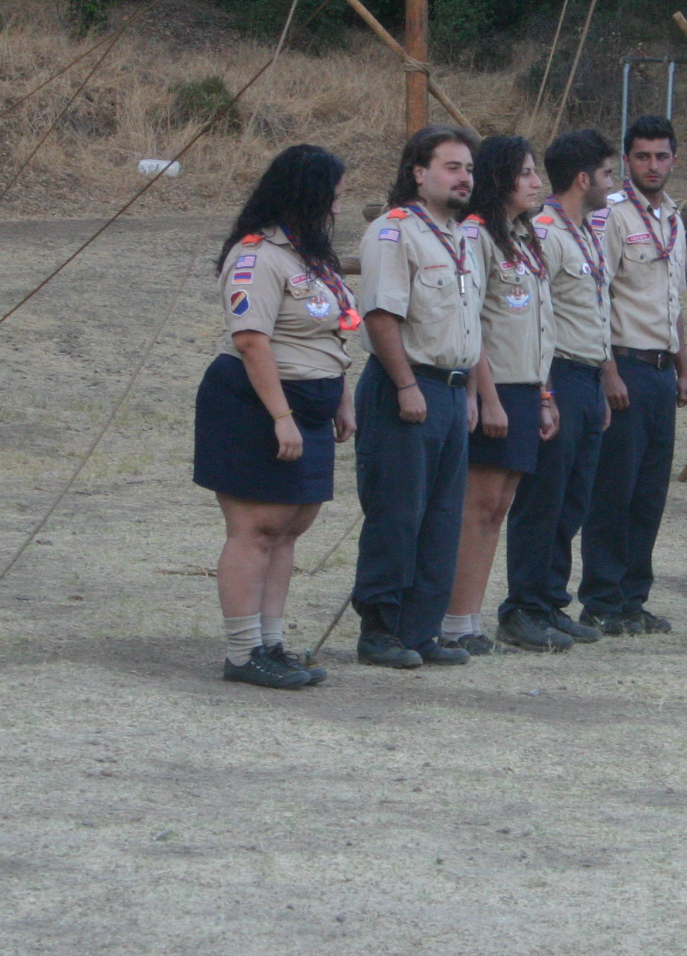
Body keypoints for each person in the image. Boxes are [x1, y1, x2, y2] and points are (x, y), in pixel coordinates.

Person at [193, 144, 358, 689]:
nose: (338, 208)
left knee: (289, 527)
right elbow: (251, 341)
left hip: (311, 402)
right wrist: (281, 416)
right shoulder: (257, 255)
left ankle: (271, 643)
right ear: (305, 195)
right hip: (257, 404)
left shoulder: (311, 256)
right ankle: (243, 653)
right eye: (333, 196)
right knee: (256, 528)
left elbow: (332, 331)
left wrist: (341, 397)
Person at [351, 126, 486, 668]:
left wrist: (470, 393)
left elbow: (468, 322)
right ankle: (381, 629)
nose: (464, 178)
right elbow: (381, 315)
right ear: (419, 172)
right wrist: (406, 385)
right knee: (397, 513)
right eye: (452, 167)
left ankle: (421, 630)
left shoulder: (461, 236)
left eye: (468, 169)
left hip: (450, 391)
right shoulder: (394, 232)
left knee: (442, 517)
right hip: (407, 385)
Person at [494, 129, 618, 651]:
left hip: (586, 375)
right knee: (543, 498)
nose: (613, 184)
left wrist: (603, 380)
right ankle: (522, 607)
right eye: (608, 174)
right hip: (558, 373)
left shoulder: (584, 231)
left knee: (572, 500)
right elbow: (536, 314)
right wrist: (546, 392)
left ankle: (549, 601)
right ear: (584, 179)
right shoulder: (544, 231)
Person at [442, 136, 559, 655]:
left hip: (526, 386)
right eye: (526, 173)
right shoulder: (477, 234)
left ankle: (469, 617)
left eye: (536, 172)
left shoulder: (524, 237)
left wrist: (545, 396)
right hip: (495, 387)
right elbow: (473, 324)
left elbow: (539, 326)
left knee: (498, 508)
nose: (536, 183)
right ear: (500, 178)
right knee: (477, 506)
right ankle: (453, 620)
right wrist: (487, 397)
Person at [579, 115, 687, 635]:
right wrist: (608, 373)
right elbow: (596, 297)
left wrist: (683, 369)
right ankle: (602, 599)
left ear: (674, 160)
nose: (653, 165)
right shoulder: (613, 217)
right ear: (626, 161)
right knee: (614, 491)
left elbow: (674, 302)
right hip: (623, 365)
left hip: (661, 371)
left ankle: (632, 599)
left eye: (661, 156)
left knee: (649, 493)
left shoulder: (673, 217)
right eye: (642, 156)